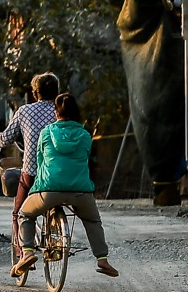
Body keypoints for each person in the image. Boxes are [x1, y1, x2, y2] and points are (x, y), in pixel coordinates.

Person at [14, 93, 119, 279]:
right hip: (80, 191)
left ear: (56, 113)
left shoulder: (46, 133)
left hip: (49, 190)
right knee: (93, 221)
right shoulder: (85, 135)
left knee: (25, 214)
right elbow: (85, 160)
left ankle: (28, 252)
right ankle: (102, 259)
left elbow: (39, 162)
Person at [0, 71, 61, 253]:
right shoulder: (61, 110)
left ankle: (24, 252)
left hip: (32, 171)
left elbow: (7, 137)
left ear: (34, 94)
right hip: (59, 171)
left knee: (19, 212)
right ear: (57, 92)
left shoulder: (24, 111)